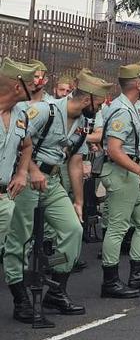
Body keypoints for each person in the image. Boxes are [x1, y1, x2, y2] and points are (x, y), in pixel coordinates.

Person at [4, 70, 111, 325]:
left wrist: (79, 201)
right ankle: (21, 299)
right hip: (28, 180)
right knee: (20, 240)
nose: (101, 109)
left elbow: (75, 161)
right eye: (100, 103)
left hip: (51, 182)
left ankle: (55, 289)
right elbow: (19, 144)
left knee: (73, 229)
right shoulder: (45, 111)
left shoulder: (83, 124)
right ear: (88, 100)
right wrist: (32, 171)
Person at [99, 62, 140, 299]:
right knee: (117, 228)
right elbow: (114, 149)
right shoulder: (123, 110)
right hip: (121, 173)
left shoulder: (131, 107)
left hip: (131, 174)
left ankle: (137, 275)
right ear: (137, 82)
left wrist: (138, 172)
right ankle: (110, 281)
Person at [0, 58, 39, 323]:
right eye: (31, 82)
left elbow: (26, 146)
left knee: (12, 247)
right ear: (17, 86)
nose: (36, 85)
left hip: (6, 195)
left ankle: (20, 300)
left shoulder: (20, 114)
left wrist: (23, 172)